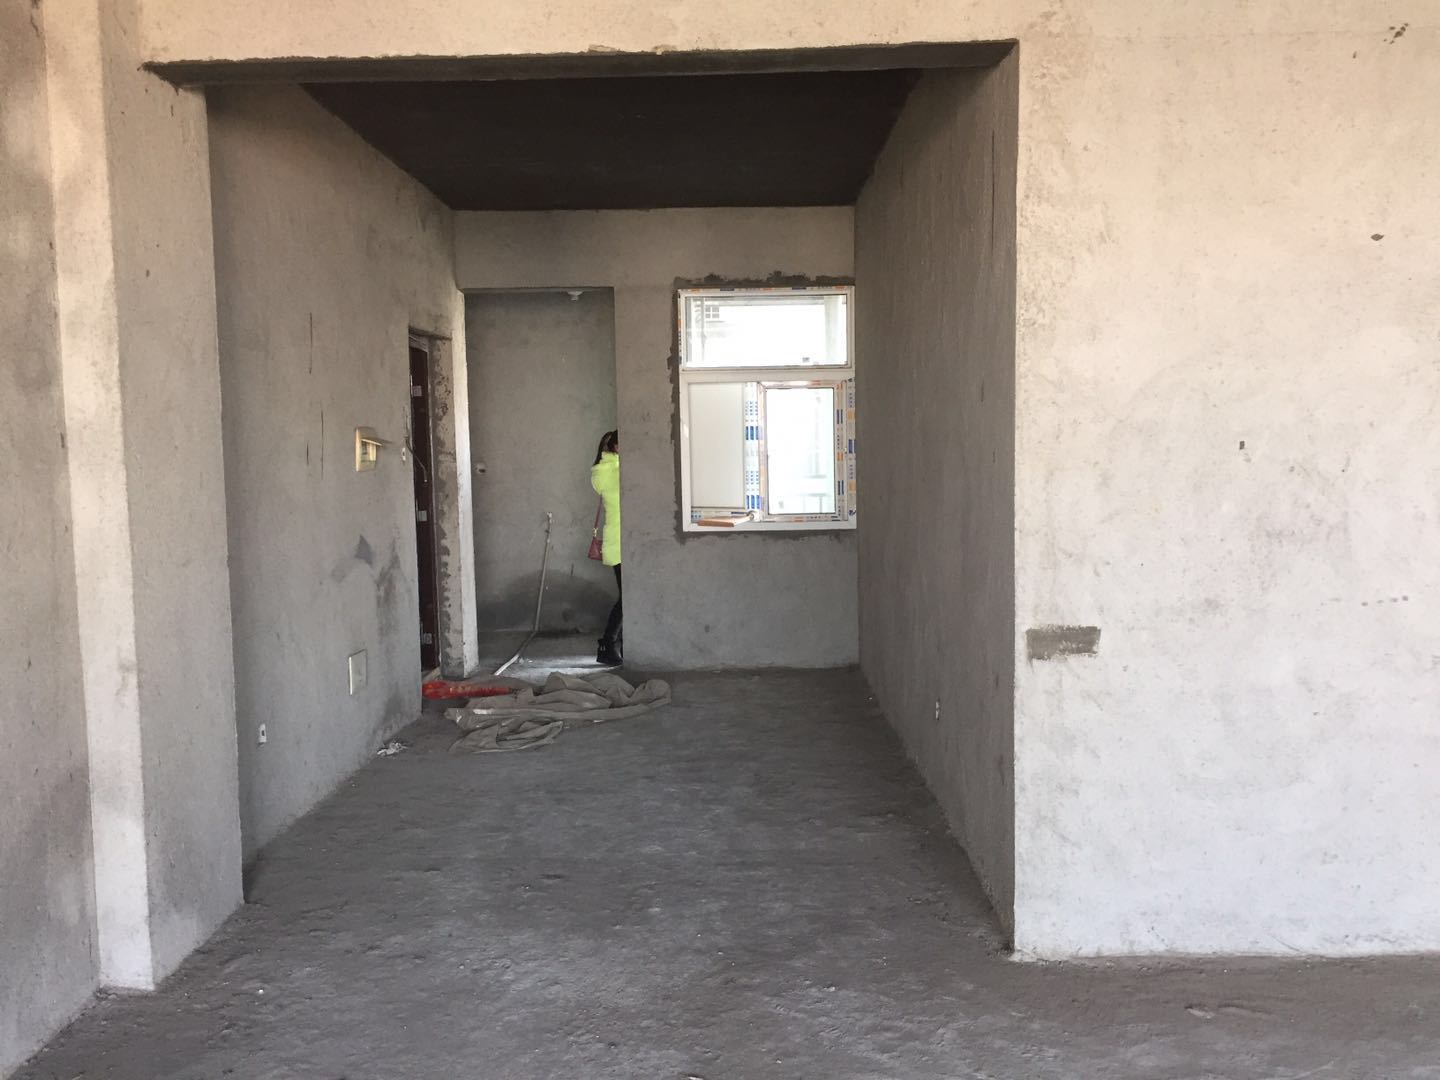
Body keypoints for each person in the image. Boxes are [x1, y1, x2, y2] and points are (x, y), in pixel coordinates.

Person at [590, 430, 622, 665]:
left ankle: (612, 644)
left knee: (628, 596)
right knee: (628, 597)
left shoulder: (606, 469)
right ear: (616, 447)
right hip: (621, 541)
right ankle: (607, 643)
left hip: (620, 540)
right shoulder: (612, 471)